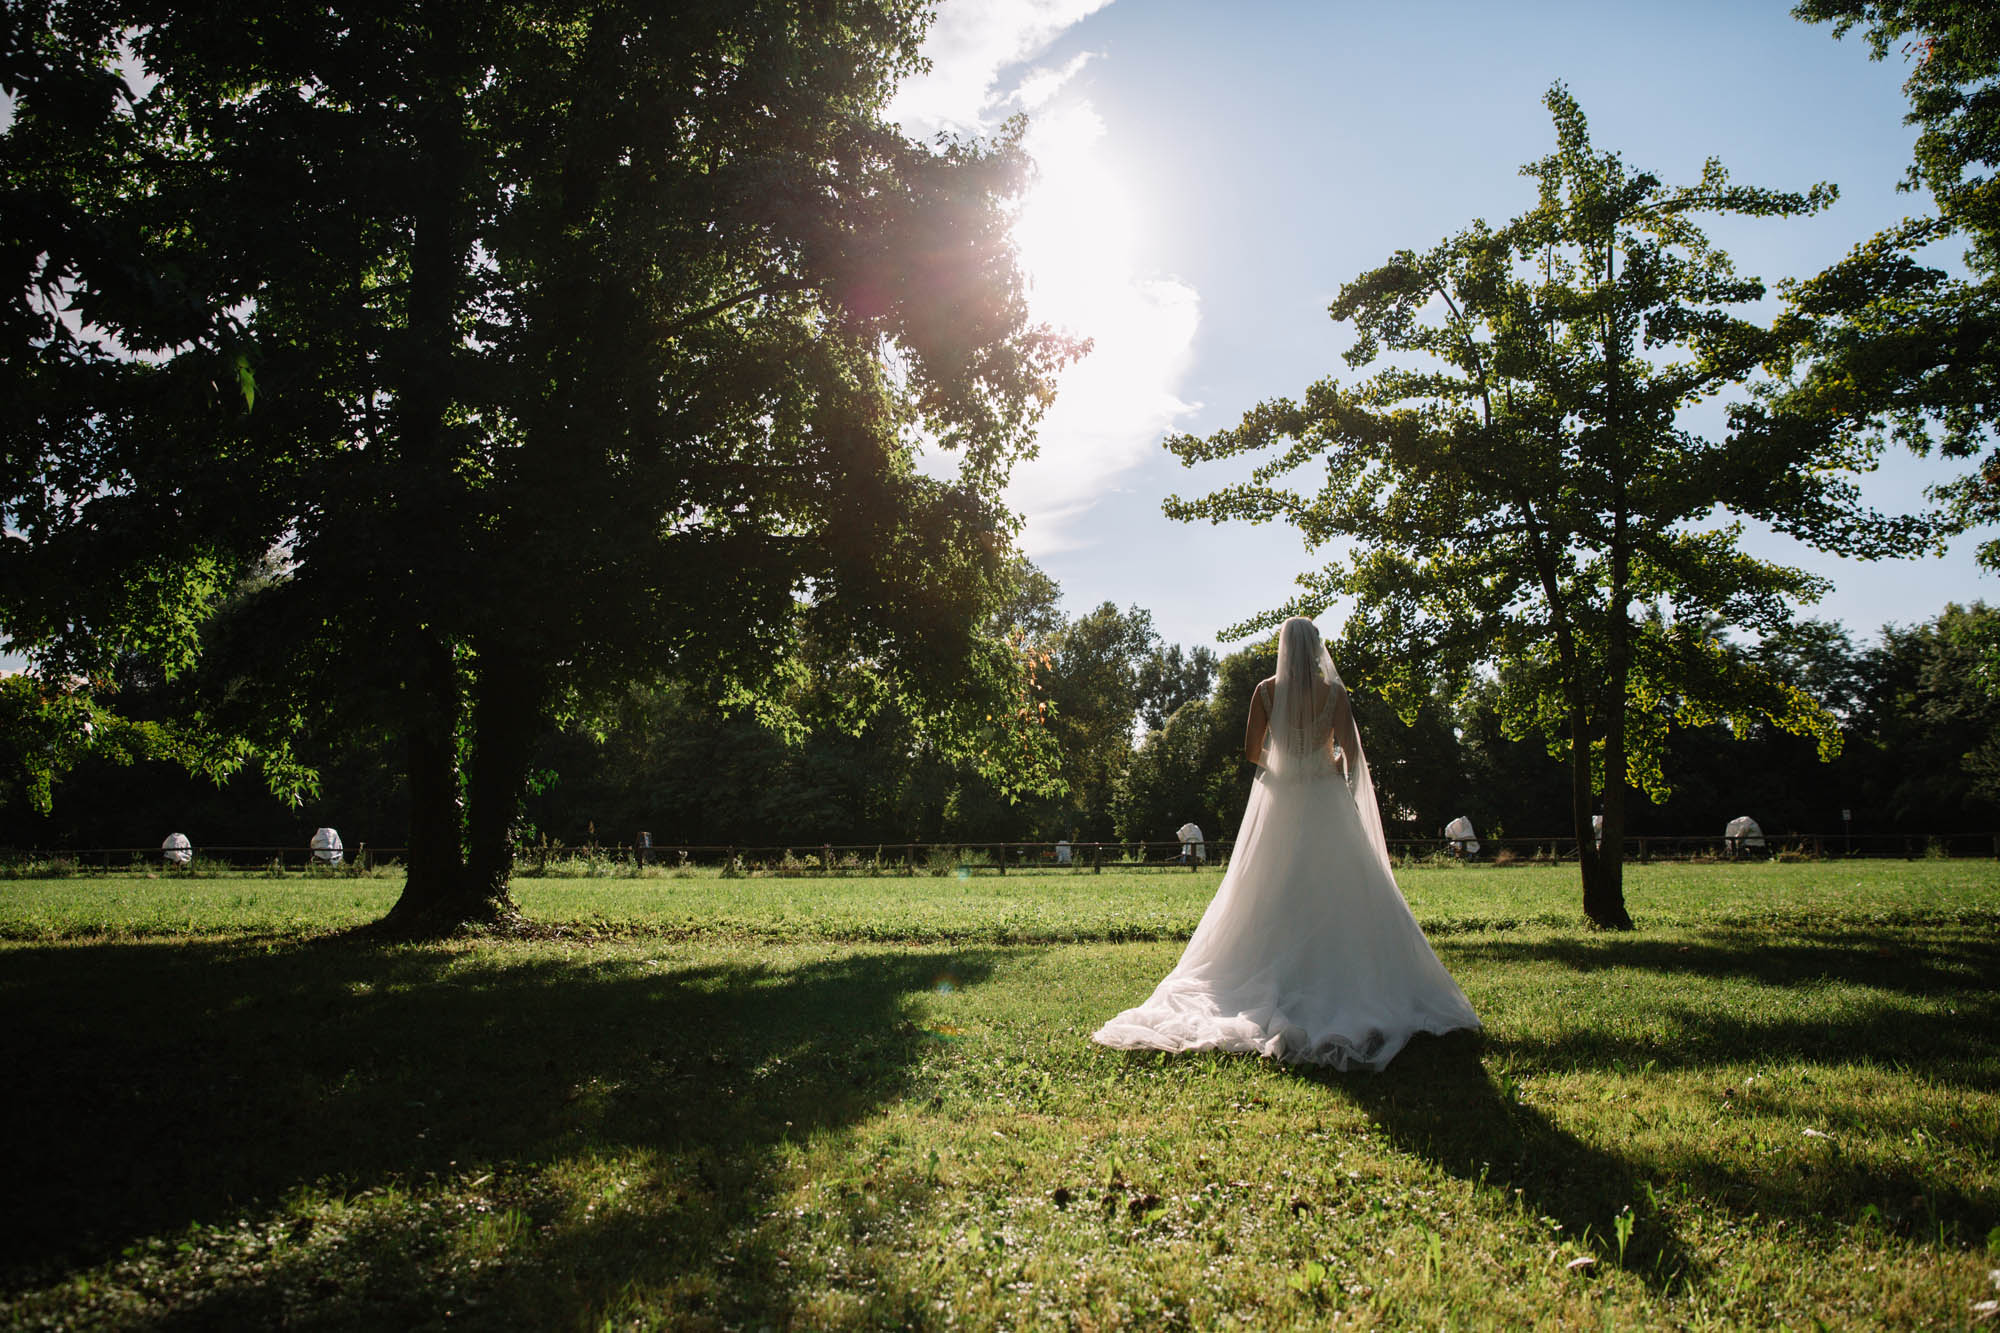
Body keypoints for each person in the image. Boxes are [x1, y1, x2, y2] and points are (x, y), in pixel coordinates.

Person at [1093, 616, 1480, 1071]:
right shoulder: (1334, 693)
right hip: (1323, 797)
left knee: (1266, 885)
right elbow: (1351, 755)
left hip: (1280, 797)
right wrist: (1327, 762)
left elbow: (1252, 750)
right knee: (1339, 884)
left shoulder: (1265, 690)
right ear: (1315, 648)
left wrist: (1284, 764)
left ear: (1282, 646)